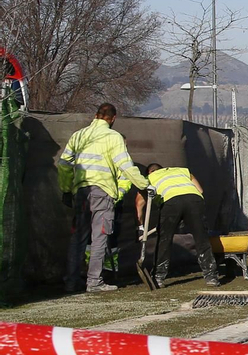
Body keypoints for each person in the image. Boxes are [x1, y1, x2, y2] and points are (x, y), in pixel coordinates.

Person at [56, 103, 150, 293]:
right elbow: (125, 165)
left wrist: (66, 189)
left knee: (78, 239)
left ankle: (71, 282)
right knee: (99, 238)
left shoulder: (79, 135)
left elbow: (64, 164)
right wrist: (144, 185)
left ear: (96, 115)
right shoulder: (113, 137)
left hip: (81, 192)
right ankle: (94, 282)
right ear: (113, 118)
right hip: (102, 192)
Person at [137, 163, 221, 288]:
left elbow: (139, 203)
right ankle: (211, 277)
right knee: (201, 239)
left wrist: (141, 226)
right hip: (194, 200)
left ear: (150, 172)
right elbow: (200, 190)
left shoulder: (149, 179)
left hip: (171, 202)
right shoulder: (183, 171)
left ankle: (158, 278)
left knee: (164, 241)